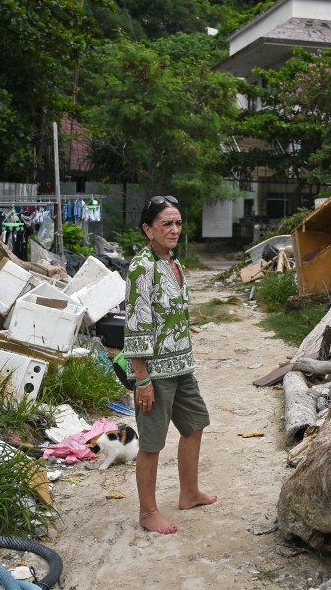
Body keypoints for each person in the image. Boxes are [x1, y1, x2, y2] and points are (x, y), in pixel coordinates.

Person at [124, 194, 217, 534]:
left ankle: (189, 493)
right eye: (167, 224)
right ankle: (148, 512)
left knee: (195, 425)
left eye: (178, 223)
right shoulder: (141, 268)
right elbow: (136, 324)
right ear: (148, 229)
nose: (174, 229)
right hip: (155, 373)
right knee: (151, 443)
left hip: (182, 368)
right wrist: (141, 379)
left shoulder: (174, 263)